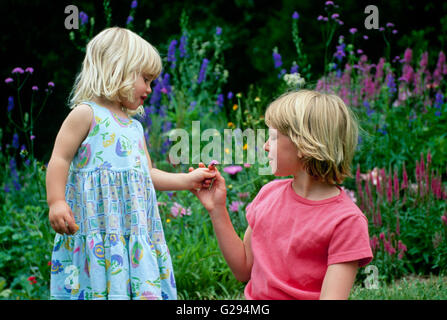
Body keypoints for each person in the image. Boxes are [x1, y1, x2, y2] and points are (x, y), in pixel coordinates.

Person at [46, 27, 215, 300]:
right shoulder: (85, 114)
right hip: (96, 229)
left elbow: (147, 174)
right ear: (118, 70)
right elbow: (59, 159)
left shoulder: (134, 127)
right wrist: (56, 201)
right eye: (146, 79)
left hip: (133, 231)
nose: (150, 89)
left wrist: (188, 180)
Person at [192, 89, 373, 300]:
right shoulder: (268, 194)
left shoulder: (347, 221)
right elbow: (243, 269)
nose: (266, 146)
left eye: (273, 137)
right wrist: (217, 209)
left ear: (304, 145)